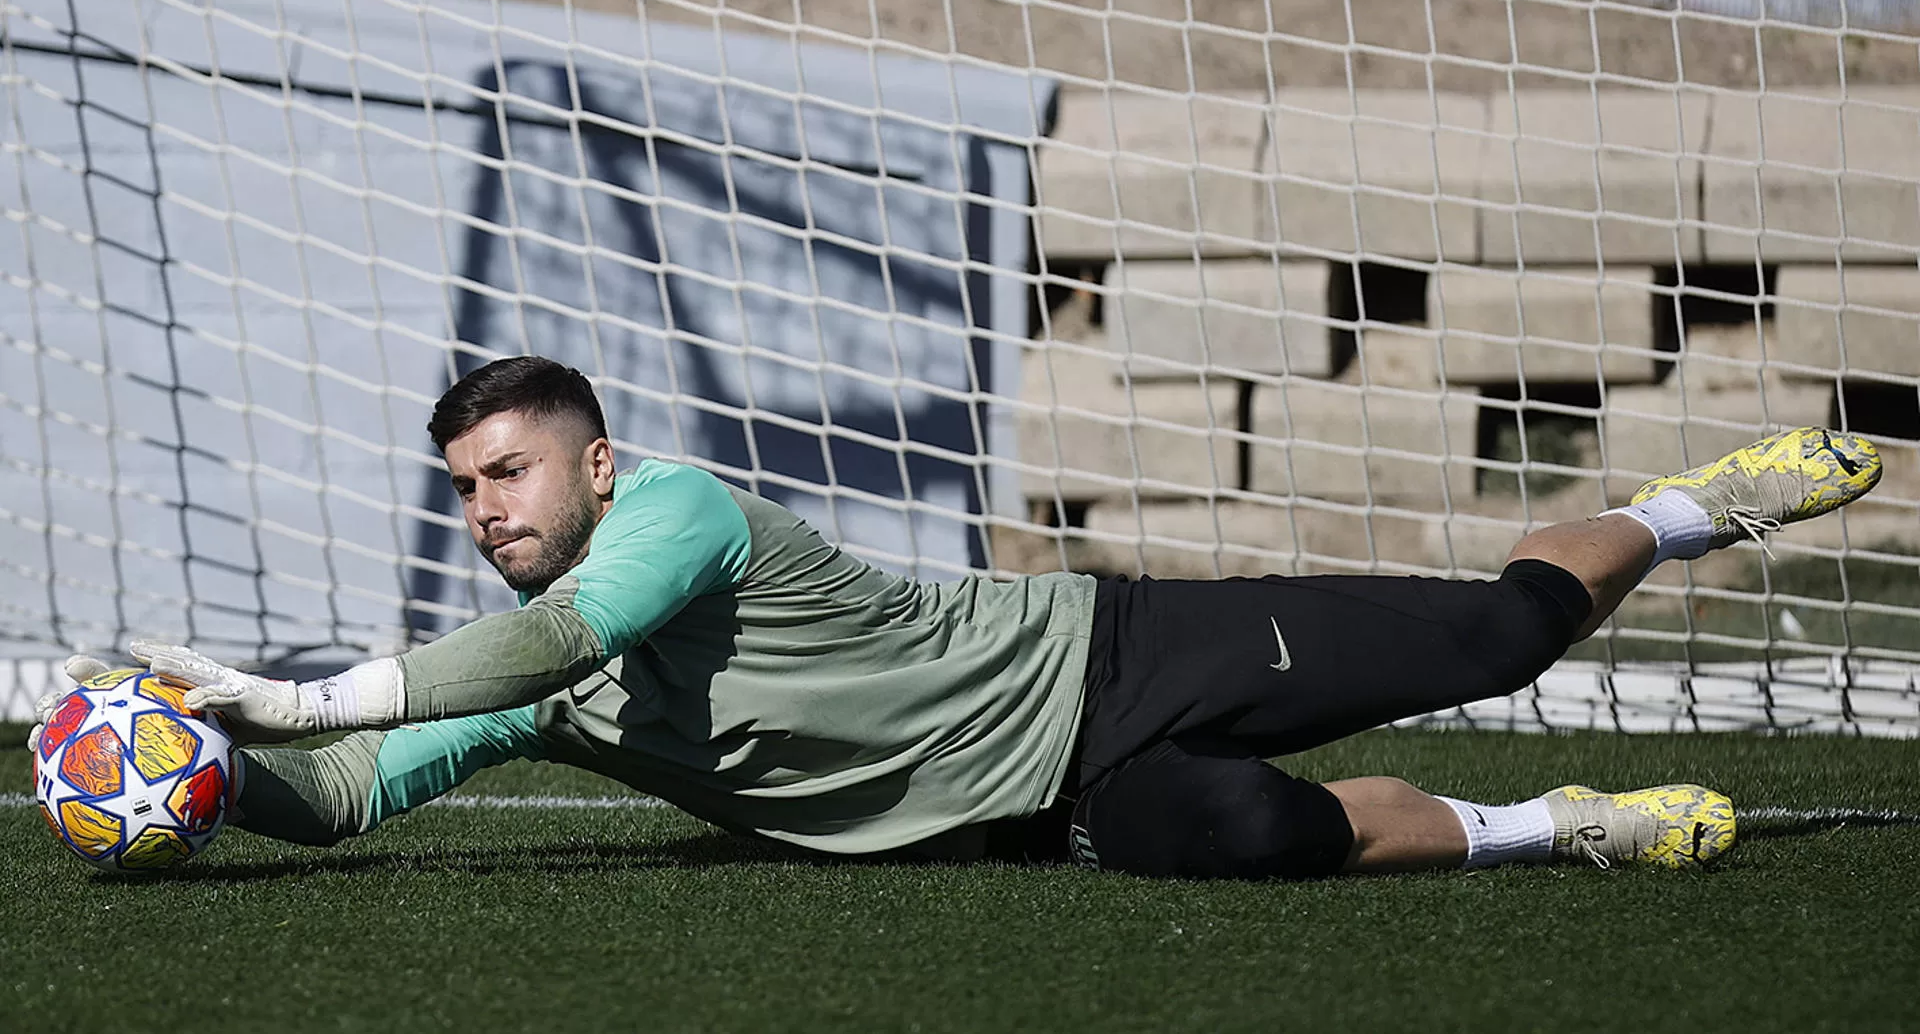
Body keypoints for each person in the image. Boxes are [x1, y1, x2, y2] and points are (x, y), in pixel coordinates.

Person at [29, 356, 1884, 878]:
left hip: (1107, 650)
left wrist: (303, 686)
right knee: (1245, 832)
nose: (489, 506)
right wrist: (198, 776)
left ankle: (1678, 506)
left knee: (1493, 641)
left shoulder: (676, 516)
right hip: (1046, 803)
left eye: (513, 470)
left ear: (598, 467)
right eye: (466, 490)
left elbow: (547, 647)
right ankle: (1553, 827)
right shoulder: (544, 681)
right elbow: (353, 796)